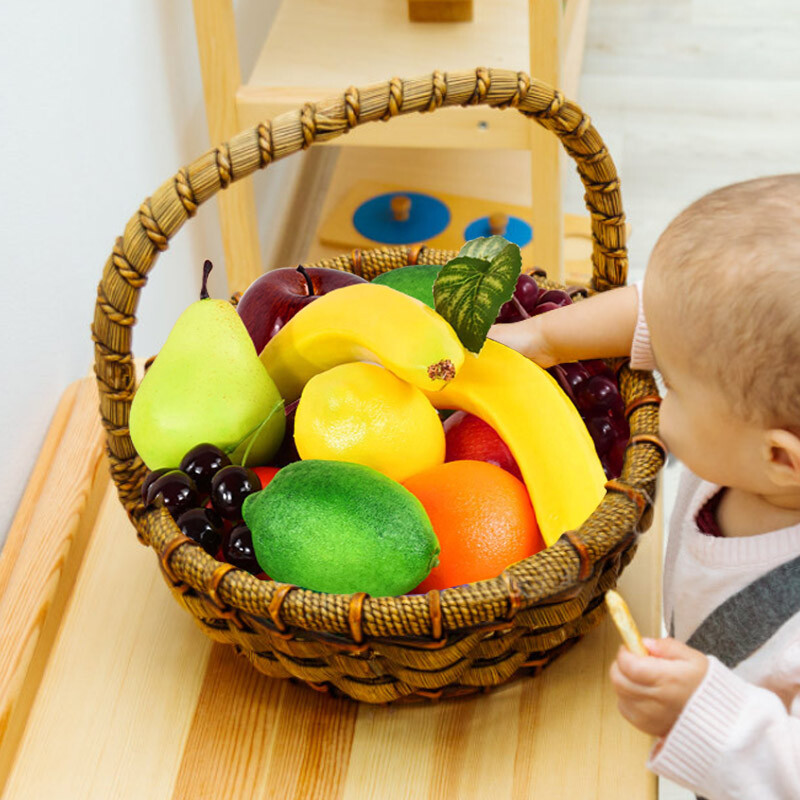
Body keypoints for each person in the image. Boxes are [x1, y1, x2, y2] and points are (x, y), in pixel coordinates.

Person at [489, 175, 800, 799]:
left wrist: (706, 715)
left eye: (671, 387)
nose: (656, 386)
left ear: (779, 458)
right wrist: (543, 338)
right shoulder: (750, 443)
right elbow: (671, 321)